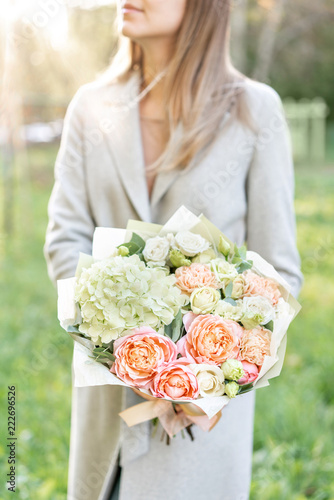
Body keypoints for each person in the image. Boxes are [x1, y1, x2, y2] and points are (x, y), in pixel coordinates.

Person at [44, 1, 303, 499]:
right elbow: (65, 237)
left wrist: (207, 378)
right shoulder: (90, 106)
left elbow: (280, 271)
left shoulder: (254, 110)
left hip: (202, 422)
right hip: (107, 404)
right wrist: (121, 348)